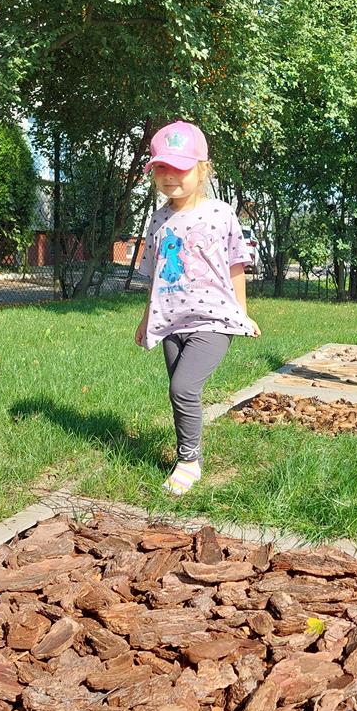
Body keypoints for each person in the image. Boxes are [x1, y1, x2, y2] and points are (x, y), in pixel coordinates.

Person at [134, 121, 260, 495]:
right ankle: (191, 455)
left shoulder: (221, 214)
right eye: (161, 167)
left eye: (180, 167)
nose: (169, 176)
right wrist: (146, 320)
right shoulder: (158, 219)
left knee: (183, 387)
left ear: (203, 169)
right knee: (180, 393)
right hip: (171, 321)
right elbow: (156, 274)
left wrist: (242, 312)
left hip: (213, 318)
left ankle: (188, 462)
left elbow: (236, 265)